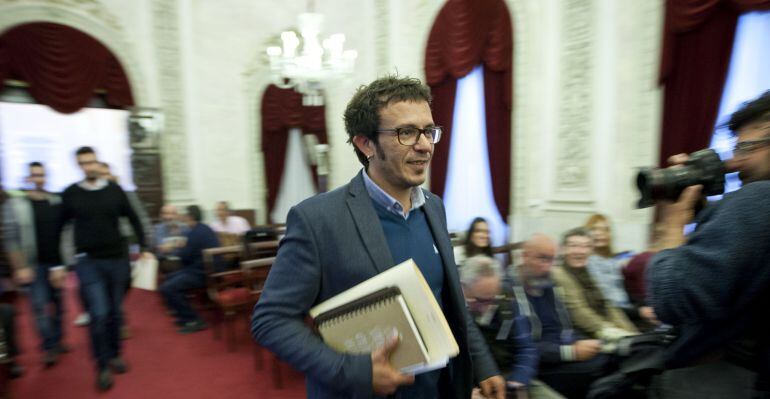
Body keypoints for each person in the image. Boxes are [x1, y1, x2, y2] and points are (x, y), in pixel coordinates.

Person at [252, 75, 505, 398]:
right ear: (365, 143)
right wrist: (354, 371)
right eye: (406, 132)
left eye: (429, 131)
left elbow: (448, 301)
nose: (425, 145)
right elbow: (271, 320)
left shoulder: (435, 207)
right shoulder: (317, 219)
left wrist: (483, 365)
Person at [647, 91, 770, 397]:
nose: (734, 162)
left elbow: (671, 298)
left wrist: (673, 227)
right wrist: (703, 212)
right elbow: (748, 266)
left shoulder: (757, 198)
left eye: (745, 147)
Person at [59, 146, 149, 391]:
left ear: (98, 163)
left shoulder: (114, 190)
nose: (89, 166)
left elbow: (133, 217)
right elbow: (59, 227)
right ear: (79, 165)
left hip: (117, 260)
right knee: (98, 314)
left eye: (91, 162)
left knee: (114, 313)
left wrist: (144, 244)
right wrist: (59, 264)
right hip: (88, 262)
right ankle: (101, 366)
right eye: (83, 163)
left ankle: (114, 354)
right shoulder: (71, 194)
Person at [512, 234, 614, 398]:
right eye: (542, 259)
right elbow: (523, 348)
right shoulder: (510, 292)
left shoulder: (548, 286)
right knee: (602, 368)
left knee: (613, 357)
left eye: (552, 260)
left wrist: (582, 342)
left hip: (561, 354)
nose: (547, 267)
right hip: (538, 365)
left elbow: (564, 328)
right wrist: (570, 351)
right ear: (524, 256)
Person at [3, 162, 69, 367]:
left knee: (58, 305)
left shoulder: (57, 201)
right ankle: (49, 346)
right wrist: (20, 266)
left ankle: (58, 340)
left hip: (55, 263)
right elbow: (11, 238)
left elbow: (65, 233)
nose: (38, 179)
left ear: (45, 177)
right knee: (39, 306)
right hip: (33, 265)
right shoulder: (16, 204)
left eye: (41, 175)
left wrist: (63, 264)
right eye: (34, 175)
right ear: (28, 179)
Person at [459, 255, 539, 398]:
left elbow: (527, 348)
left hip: (510, 378)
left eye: (492, 299)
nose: (487, 308)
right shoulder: (453, 312)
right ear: (462, 288)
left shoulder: (508, 300)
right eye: (479, 300)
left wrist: (518, 381)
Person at [549, 228, 637, 340]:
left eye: (585, 246)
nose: (580, 251)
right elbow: (578, 312)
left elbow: (607, 306)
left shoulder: (588, 272)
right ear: (563, 249)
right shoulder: (558, 274)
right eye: (574, 246)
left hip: (603, 330)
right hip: (580, 336)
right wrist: (617, 333)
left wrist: (632, 333)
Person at [583, 214, 657, 329]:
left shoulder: (613, 261)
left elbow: (624, 291)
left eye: (605, 230)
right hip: (610, 314)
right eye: (594, 229)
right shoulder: (586, 261)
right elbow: (601, 302)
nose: (599, 233)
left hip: (626, 310)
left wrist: (643, 306)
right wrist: (638, 312)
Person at [158, 205, 219, 333]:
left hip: (203, 273)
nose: (182, 218)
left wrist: (176, 248)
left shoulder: (194, 233)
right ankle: (182, 314)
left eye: (184, 216)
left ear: (190, 217)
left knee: (167, 288)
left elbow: (184, 257)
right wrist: (181, 246)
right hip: (204, 269)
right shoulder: (204, 228)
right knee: (169, 278)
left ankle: (194, 319)